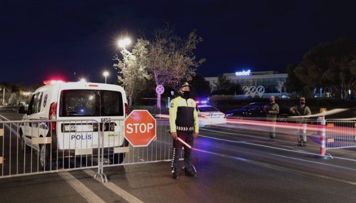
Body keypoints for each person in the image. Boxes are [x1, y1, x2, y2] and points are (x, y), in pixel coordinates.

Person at [169, 82, 199, 179]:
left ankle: (188, 169)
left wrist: (196, 130)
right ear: (180, 89)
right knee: (177, 152)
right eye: (184, 87)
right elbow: (172, 117)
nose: (187, 89)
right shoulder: (175, 101)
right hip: (179, 132)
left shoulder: (192, 102)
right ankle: (175, 170)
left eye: (188, 88)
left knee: (188, 152)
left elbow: (196, 117)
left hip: (190, 132)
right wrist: (173, 130)